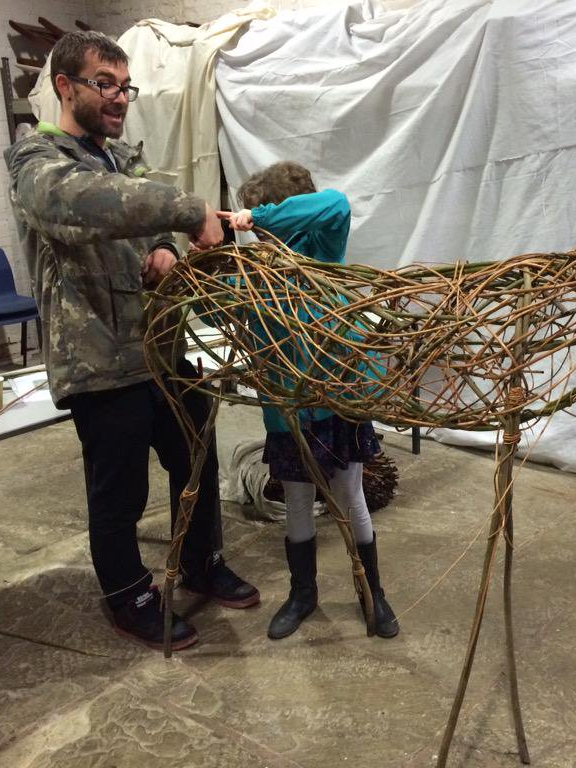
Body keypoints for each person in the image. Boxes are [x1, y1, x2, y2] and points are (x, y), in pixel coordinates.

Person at [4, 31, 259, 651]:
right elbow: (86, 203)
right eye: (105, 84)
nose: (119, 98)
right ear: (65, 86)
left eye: (125, 87)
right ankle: (128, 595)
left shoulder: (125, 158)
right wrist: (183, 209)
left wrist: (169, 246)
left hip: (159, 347)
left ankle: (201, 560)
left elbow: (147, 222)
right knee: (119, 489)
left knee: (195, 454)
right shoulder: (36, 159)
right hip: (97, 358)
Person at [223, 162, 399, 640]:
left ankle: (373, 593)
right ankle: (303, 594)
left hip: (338, 405)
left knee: (350, 496)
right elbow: (217, 302)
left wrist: (261, 218)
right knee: (298, 502)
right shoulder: (258, 276)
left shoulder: (321, 255)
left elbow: (336, 204)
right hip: (287, 412)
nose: (262, 239)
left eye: (269, 221)